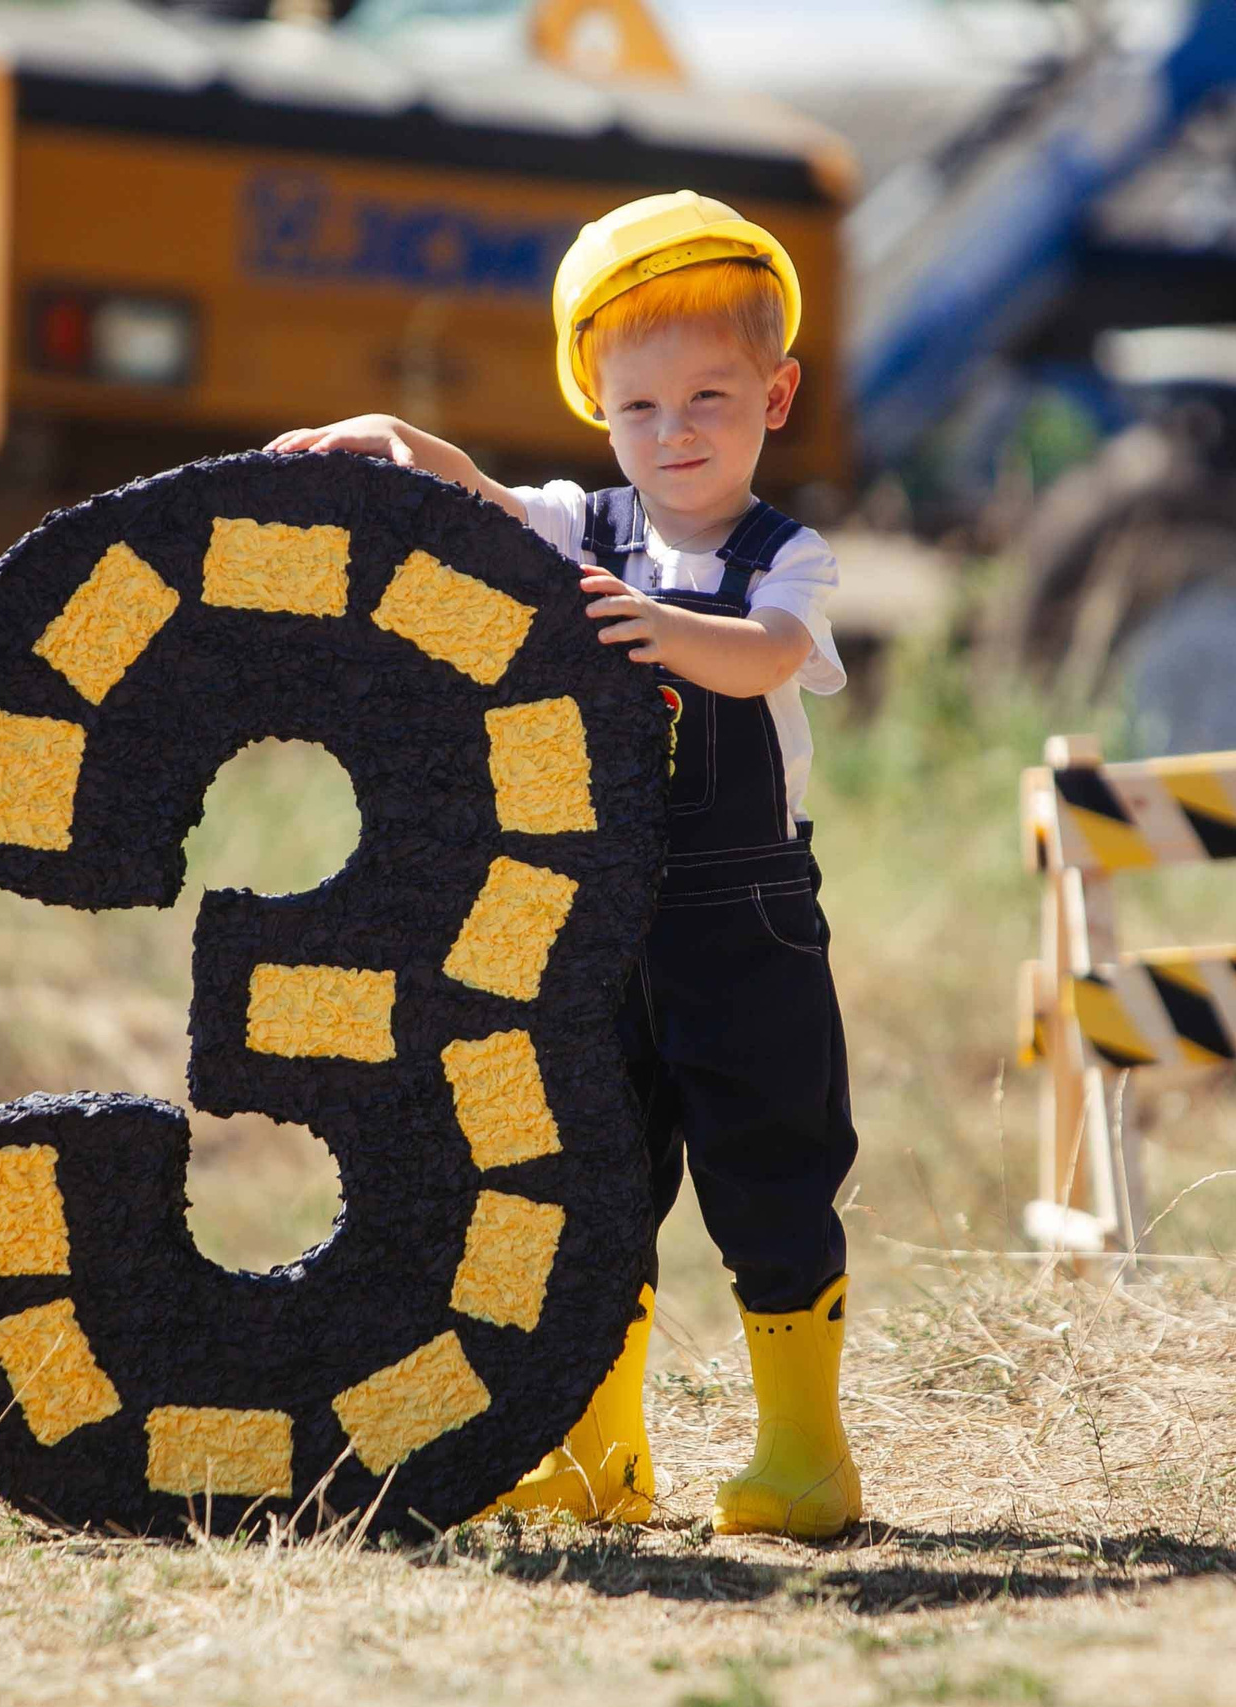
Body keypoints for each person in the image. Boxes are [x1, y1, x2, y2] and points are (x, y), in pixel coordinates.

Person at [267, 191, 860, 1541]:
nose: (675, 431)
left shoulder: (786, 558)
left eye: (709, 397)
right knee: (598, 1181)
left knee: (769, 1170)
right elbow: (478, 496)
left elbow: (768, 656)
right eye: (639, 406)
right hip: (601, 923)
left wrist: (658, 626)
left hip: (744, 921)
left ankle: (805, 1457)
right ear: (598, 409)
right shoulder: (584, 528)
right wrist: (401, 439)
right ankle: (601, 1458)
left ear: (776, 397)